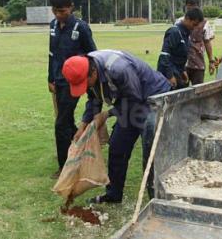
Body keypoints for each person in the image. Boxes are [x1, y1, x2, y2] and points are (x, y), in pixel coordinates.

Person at [63, 50, 171, 204]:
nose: (85, 86)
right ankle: (113, 195)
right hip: (130, 102)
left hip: (153, 99)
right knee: (117, 146)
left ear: (93, 73)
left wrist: (108, 114)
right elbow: (94, 97)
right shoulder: (87, 67)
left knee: (151, 152)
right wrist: (83, 126)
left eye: (84, 83)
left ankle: (157, 199)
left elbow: (135, 99)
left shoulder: (119, 69)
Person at [47, 0, 97, 176]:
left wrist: (87, 78)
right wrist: (50, 77)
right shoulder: (52, 26)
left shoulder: (81, 27)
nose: (59, 14)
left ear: (71, 7)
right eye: (55, 11)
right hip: (58, 81)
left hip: (75, 82)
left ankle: (64, 166)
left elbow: (93, 54)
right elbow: (51, 53)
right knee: (65, 122)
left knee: (60, 124)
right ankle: (82, 148)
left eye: (63, 11)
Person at [157, 7, 204, 89]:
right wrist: (170, 76)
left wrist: (183, 70)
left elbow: (180, 56)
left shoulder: (186, 34)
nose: (195, 28)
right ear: (187, 19)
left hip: (178, 72)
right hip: (168, 74)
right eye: (194, 24)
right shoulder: (174, 32)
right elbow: (164, 56)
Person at [180, 0, 215, 85]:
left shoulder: (205, 23)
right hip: (182, 64)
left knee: (198, 92)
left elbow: (207, 42)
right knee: (180, 92)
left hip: (198, 64)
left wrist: (211, 61)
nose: (190, 9)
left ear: (198, 6)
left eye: (192, 6)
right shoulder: (179, 22)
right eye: (188, 7)